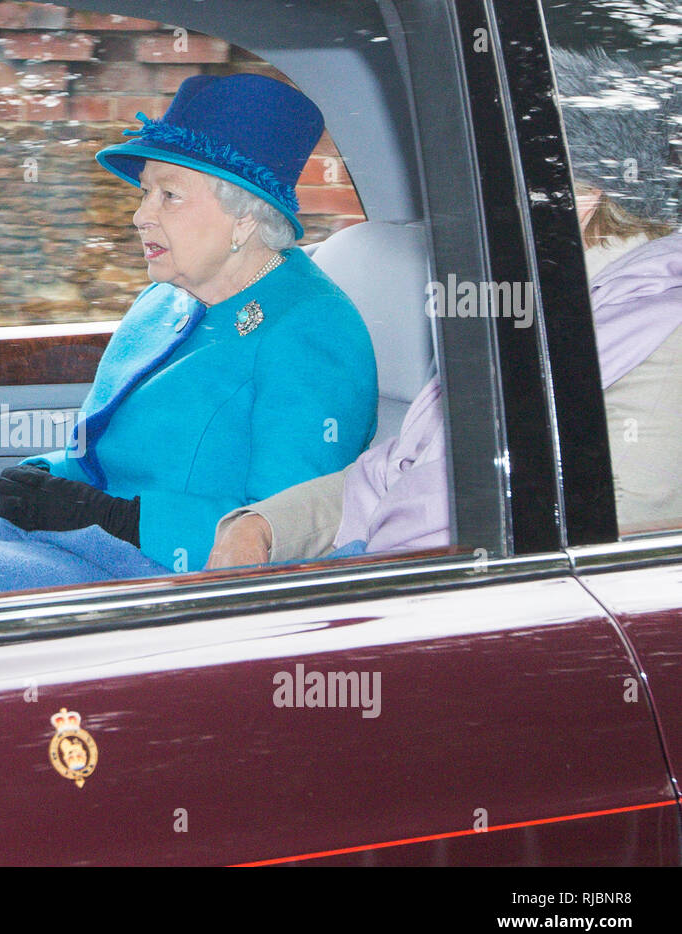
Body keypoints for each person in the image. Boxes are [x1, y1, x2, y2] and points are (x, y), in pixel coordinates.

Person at [0, 73, 377, 614]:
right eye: (145, 192)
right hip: (89, 545)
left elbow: (284, 533)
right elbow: (99, 452)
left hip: (169, 582)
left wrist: (114, 518)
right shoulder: (165, 302)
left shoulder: (313, 332)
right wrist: (48, 478)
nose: (140, 216)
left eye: (169, 195)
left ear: (245, 217)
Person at [206, 48, 682, 569]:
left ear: (568, 199)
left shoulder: (661, 348)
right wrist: (261, 527)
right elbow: (393, 474)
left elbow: (583, 578)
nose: (453, 212)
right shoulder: (523, 312)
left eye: (480, 182)